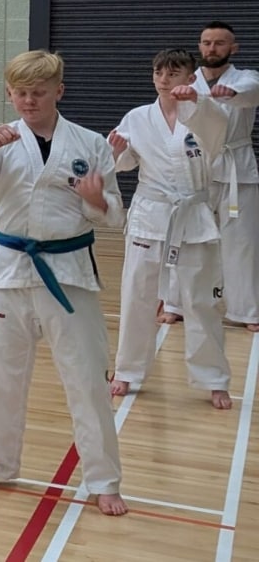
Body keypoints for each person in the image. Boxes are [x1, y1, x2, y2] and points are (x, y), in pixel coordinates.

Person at [0, 51, 126, 516]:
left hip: (69, 275)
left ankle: (104, 479)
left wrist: (95, 200)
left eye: (39, 92)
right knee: (0, 377)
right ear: (10, 94)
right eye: (20, 92)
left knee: (87, 379)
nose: (29, 101)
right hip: (7, 270)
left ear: (58, 92)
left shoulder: (90, 143)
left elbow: (114, 215)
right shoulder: (0, 140)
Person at [109, 49, 234, 409]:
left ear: (190, 76)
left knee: (202, 301)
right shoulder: (138, 117)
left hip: (193, 214)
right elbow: (123, 163)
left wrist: (200, 101)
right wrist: (115, 150)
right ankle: (127, 370)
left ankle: (213, 378)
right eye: (159, 72)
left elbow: (216, 139)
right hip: (151, 214)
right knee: (137, 294)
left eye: (174, 73)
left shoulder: (207, 113)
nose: (164, 79)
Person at [193, 22, 259, 331]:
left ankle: (245, 310)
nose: (212, 48)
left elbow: (251, 93)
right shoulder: (188, 81)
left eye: (220, 43)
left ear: (233, 48)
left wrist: (229, 92)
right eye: (207, 42)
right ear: (200, 45)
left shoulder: (246, 79)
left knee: (241, 242)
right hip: (197, 169)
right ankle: (180, 302)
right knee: (190, 239)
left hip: (237, 171)